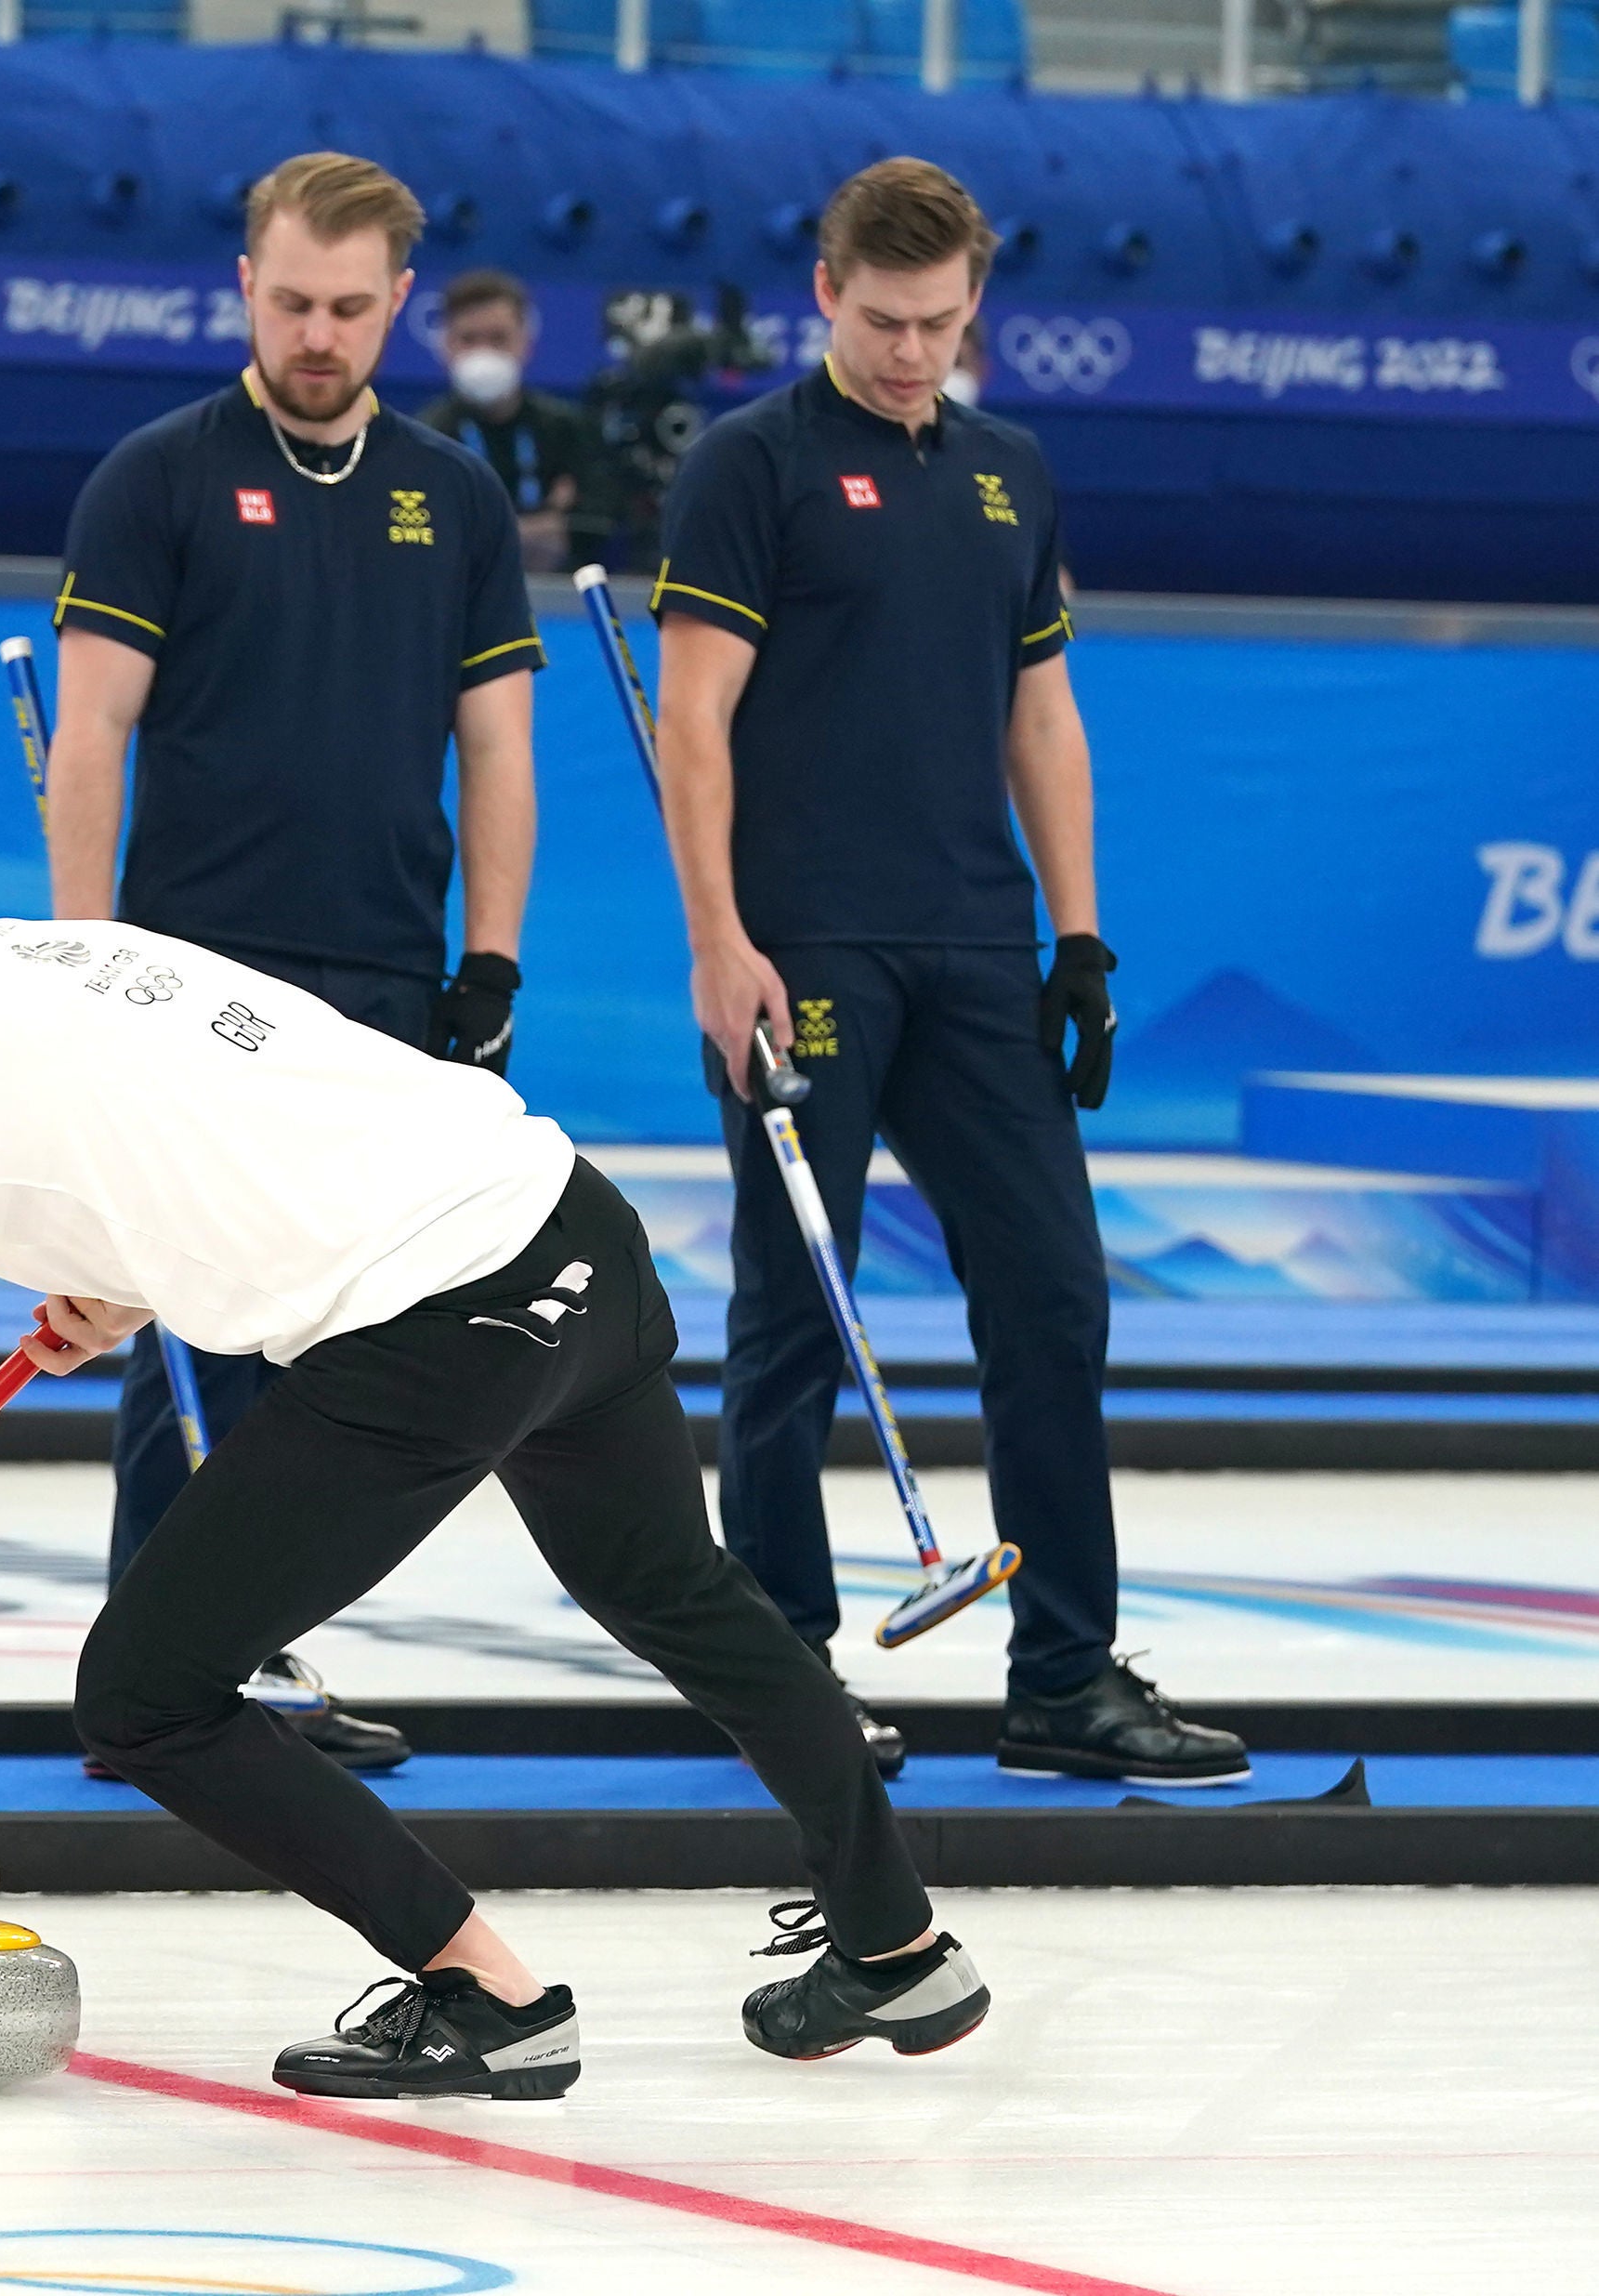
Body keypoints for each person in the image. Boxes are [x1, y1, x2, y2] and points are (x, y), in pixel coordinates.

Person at [0, 866, 989, 2096]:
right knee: (678, 1589)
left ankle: (489, 1998)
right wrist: (126, 1285)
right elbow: (182, 1111)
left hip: (443, 1318)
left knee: (147, 1692)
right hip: (571, 1228)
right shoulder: (17, 950)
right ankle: (897, 1942)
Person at [649, 158, 1246, 1785]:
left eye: (942, 324)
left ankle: (1064, 1675)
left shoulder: (1009, 472)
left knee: (1055, 1296)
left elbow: (1039, 713)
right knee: (793, 1320)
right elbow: (690, 720)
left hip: (980, 947)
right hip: (806, 950)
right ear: (825, 294)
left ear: (977, 306)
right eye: (885, 320)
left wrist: (1081, 935)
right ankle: (782, 1673)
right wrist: (717, 940)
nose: (914, 352)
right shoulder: (748, 465)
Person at [45, 151, 545, 1771]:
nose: (316, 333)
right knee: (189, 1321)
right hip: (198, 973)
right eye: (288, 301)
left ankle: (234, 1652)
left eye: (347, 306)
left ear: (399, 301)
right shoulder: (160, 477)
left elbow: (500, 752)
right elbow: (93, 733)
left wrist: (491, 963)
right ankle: (158, 1672)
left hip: (388, 979)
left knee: (336, 1342)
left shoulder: (454, 496)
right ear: (242, 286)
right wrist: (82, 958)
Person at [413, 269, 612, 572]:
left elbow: (597, 523)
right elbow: (430, 535)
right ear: (446, 345)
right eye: (469, 339)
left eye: (498, 338)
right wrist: (537, 528)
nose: (484, 353)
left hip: (558, 603)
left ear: (525, 343)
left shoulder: (568, 429)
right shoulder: (425, 437)